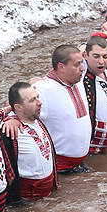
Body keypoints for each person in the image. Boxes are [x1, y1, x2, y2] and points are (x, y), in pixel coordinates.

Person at [34, 44, 93, 176]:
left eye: (82, 63)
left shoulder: (78, 79)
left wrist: (106, 34)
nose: (83, 68)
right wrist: (13, 120)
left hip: (80, 164)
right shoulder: (42, 89)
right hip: (60, 170)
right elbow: (18, 106)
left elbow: (87, 47)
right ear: (61, 67)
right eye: (77, 64)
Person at [2, 81, 56, 200]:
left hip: (49, 192)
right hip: (27, 199)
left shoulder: (36, 119)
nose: (40, 103)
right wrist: (8, 115)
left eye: (38, 97)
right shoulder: (8, 130)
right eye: (32, 100)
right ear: (18, 107)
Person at [81, 35, 107, 154]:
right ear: (85, 56)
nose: (101, 61)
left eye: (105, 56)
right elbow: (66, 57)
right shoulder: (81, 76)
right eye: (96, 56)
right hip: (91, 148)